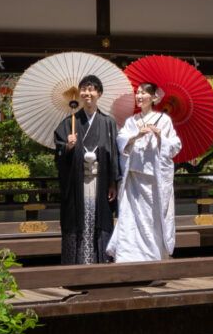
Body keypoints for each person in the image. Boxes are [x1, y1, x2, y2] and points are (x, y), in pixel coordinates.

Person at [107, 82, 182, 263]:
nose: (139, 96)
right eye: (137, 93)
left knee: (152, 218)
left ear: (154, 97)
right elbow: (121, 141)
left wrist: (160, 136)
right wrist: (136, 136)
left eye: (143, 93)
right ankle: (128, 256)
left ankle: (153, 256)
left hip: (153, 181)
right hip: (134, 178)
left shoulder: (164, 120)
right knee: (131, 217)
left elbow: (175, 146)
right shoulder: (131, 121)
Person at [54, 74, 119, 265]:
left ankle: (101, 262)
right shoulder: (69, 123)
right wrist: (67, 146)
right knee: (77, 220)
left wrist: (113, 183)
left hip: (100, 182)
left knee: (100, 220)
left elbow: (114, 154)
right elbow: (58, 154)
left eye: (91, 89)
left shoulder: (108, 122)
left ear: (99, 93)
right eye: (83, 89)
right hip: (77, 183)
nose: (87, 93)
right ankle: (75, 265)